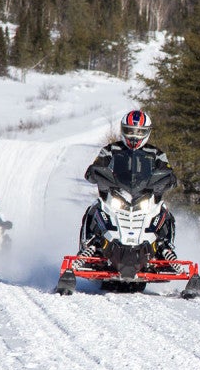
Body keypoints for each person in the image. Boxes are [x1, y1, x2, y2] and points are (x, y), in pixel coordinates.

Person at [76, 110, 180, 267]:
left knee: (165, 212)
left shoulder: (156, 154)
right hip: (115, 195)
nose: (134, 136)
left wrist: (168, 179)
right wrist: (95, 172)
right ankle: (89, 245)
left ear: (147, 132)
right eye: (130, 131)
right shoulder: (110, 150)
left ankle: (166, 248)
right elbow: (95, 169)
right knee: (94, 208)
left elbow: (168, 172)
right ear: (123, 130)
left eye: (139, 132)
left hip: (145, 197)